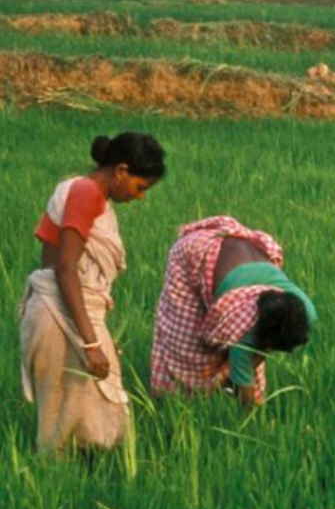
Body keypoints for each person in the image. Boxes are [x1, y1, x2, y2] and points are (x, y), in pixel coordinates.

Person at [19, 132, 167, 456]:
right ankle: (56, 488)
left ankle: (83, 481)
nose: (140, 197)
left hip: (62, 310)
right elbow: (66, 268)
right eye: (140, 187)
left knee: (90, 415)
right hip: (57, 314)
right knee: (67, 420)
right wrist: (91, 342)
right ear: (121, 171)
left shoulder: (84, 192)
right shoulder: (86, 193)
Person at [150, 216, 316, 406]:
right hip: (193, 253)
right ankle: (174, 402)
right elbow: (245, 385)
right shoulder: (245, 327)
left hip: (236, 255)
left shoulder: (305, 311)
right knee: (188, 348)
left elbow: (259, 353)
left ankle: (215, 397)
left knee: (249, 356)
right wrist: (248, 420)